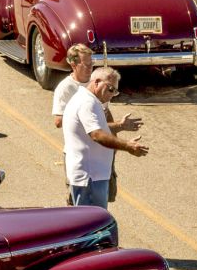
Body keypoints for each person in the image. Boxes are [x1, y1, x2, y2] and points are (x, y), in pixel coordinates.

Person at [61, 67, 146, 209]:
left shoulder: (90, 101)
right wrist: (127, 146)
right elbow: (97, 134)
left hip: (94, 176)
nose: (113, 94)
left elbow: (96, 128)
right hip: (89, 177)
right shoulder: (87, 103)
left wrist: (119, 125)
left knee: (93, 223)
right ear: (97, 82)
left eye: (116, 91)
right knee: (90, 225)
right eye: (111, 89)